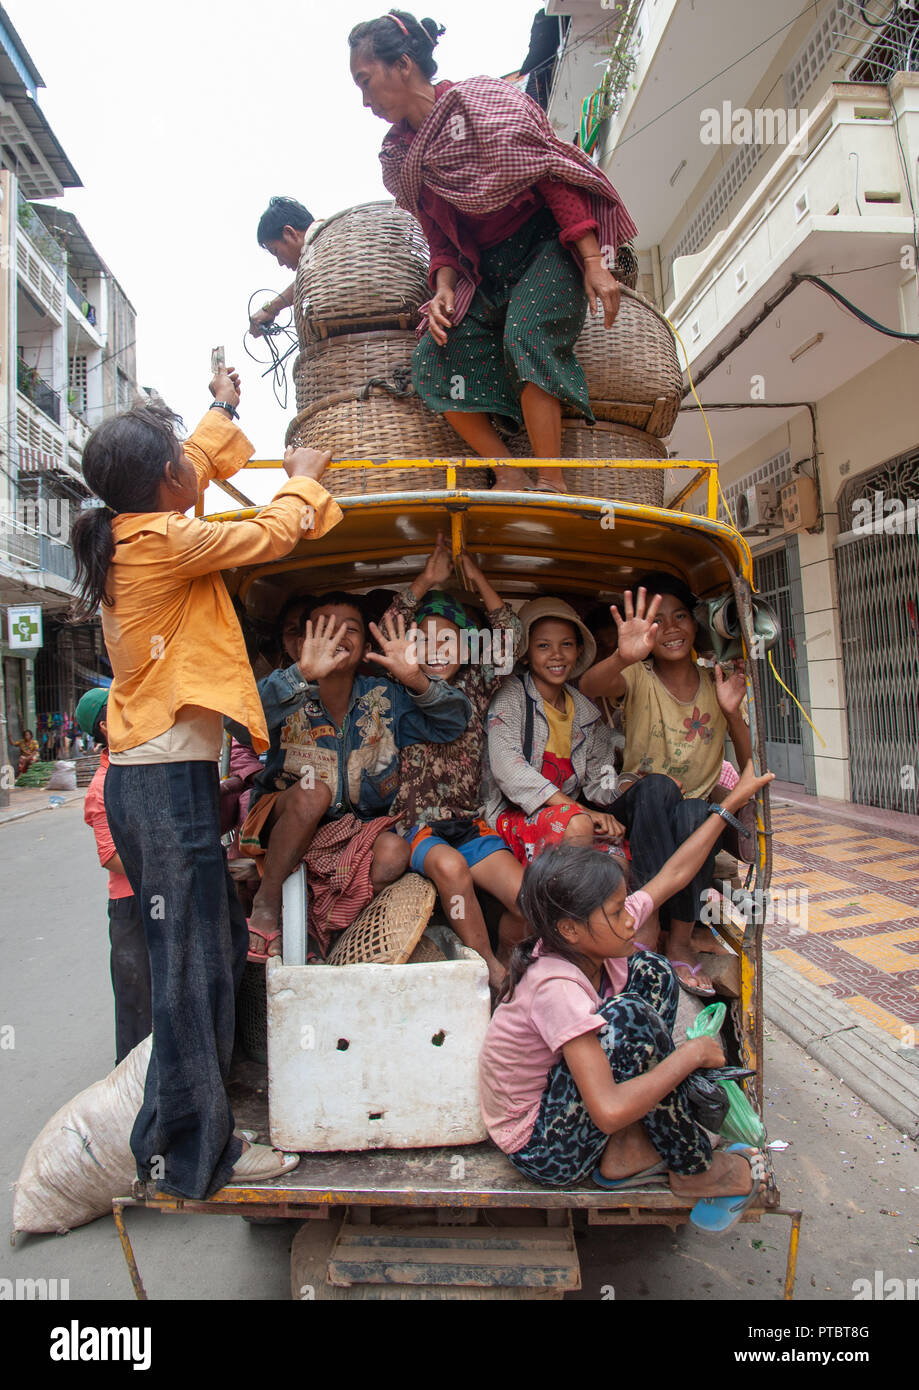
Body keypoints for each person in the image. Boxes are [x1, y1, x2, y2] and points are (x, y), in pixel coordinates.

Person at [69, 364, 343, 1199]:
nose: (194, 475)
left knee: (211, 953)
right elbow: (268, 534)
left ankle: (172, 1128)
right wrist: (301, 482)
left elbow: (186, 458)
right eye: (181, 471)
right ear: (163, 488)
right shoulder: (161, 540)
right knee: (192, 970)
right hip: (159, 792)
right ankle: (193, 1158)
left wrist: (223, 407)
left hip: (159, 786)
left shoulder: (137, 524)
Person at [348, 10, 637, 493]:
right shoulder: (401, 156)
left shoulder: (480, 103)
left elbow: (547, 173)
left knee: (526, 332)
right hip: (487, 273)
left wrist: (592, 263)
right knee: (433, 360)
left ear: (402, 64)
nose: (363, 99)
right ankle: (508, 472)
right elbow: (440, 239)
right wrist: (441, 289)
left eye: (365, 80)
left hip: (545, 247)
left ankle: (552, 480)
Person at [479, 761, 774, 1225]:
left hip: (573, 1103)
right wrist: (691, 1054)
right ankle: (693, 1167)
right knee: (632, 1019)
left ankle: (628, 1149)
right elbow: (609, 1108)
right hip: (543, 1146)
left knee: (652, 971)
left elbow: (675, 873)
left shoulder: (591, 943)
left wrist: (730, 804)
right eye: (616, 913)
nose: (629, 921)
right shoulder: (555, 986)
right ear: (570, 929)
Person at [235, 592, 473, 959]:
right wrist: (301, 675)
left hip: (357, 829)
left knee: (395, 851)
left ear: (364, 648)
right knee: (315, 792)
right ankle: (266, 908)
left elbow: (453, 722)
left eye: (351, 629)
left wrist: (417, 680)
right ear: (303, 642)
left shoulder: (386, 697)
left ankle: (328, 930)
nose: (339, 636)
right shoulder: (283, 686)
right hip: (285, 818)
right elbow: (237, 723)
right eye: (326, 628)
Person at [579, 577, 754, 997]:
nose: (671, 628)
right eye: (658, 621)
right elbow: (587, 688)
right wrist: (623, 656)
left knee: (701, 814)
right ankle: (649, 918)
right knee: (659, 788)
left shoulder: (717, 681)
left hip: (691, 812)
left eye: (680, 618)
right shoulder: (638, 676)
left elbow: (749, 765)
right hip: (641, 800)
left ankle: (678, 939)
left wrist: (731, 713)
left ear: (696, 625)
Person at [382, 533, 526, 991]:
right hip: (416, 825)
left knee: (528, 899)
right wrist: (426, 579)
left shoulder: (479, 683)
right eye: (422, 640)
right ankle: (490, 968)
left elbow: (512, 636)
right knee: (450, 870)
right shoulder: (401, 687)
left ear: (469, 648)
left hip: (469, 822)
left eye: (448, 639)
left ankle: (507, 953)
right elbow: (389, 623)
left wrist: (477, 575)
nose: (436, 648)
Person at [483, 597, 623, 864]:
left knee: (619, 859)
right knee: (578, 826)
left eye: (566, 644)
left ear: (579, 650)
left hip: (566, 816)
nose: (556, 655)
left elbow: (599, 780)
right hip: (510, 817)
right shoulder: (511, 696)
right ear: (525, 652)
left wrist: (625, 787)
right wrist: (579, 810)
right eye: (543, 646)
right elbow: (508, 770)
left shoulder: (586, 712)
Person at [77, 687, 152, 1065]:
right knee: (136, 999)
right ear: (106, 725)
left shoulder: (142, 769)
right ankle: (130, 1082)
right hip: (130, 906)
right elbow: (110, 856)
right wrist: (159, 867)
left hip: (156, 896)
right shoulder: (100, 787)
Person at [249, 196, 315, 339]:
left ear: (289, 233)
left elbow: (311, 272)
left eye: (276, 252)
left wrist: (272, 307)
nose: (280, 262)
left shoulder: (322, 236)